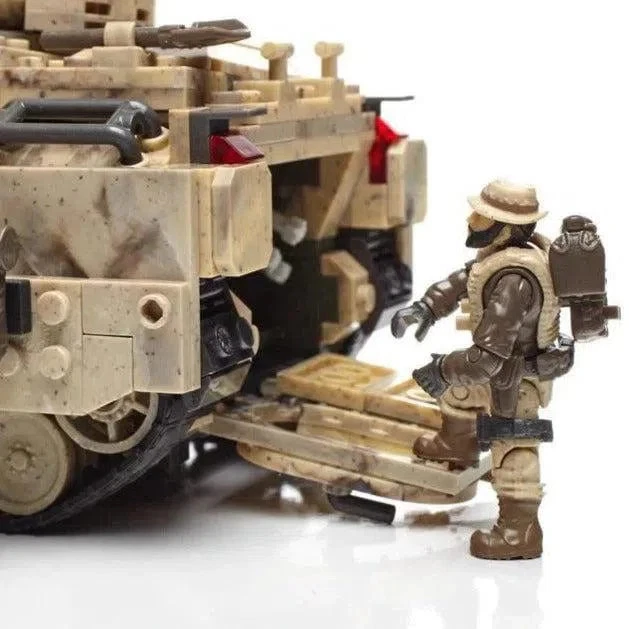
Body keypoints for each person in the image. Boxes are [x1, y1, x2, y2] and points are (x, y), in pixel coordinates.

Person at [391, 179, 568, 560]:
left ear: (505, 227)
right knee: (460, 392)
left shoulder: (514, 281)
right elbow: (465, 280)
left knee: (512, 448)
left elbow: (487, 359)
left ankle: (520, 531)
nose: (471, 220)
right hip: (501, 370)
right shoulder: (504, 258)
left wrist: (441, 369)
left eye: (482, 216)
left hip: (517, 379)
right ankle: (459, 443)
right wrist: (425, 308)